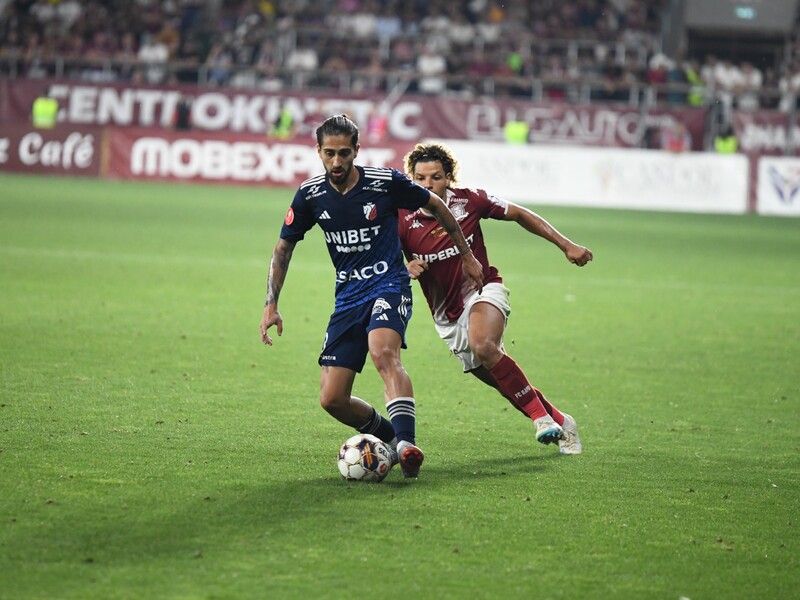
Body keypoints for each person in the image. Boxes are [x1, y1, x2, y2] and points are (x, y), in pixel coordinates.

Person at [260, 116, 484, 478]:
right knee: (332, 399)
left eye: (344, 153)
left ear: (356, 151)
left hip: (389, 284)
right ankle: (392, 439)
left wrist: (467, 255)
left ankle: (408, 445)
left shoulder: (384, 182)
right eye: (329, 153)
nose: (336, 161)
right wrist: (271, 304)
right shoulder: (310, 194)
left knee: (383, 352)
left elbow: (437, 205)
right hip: (348, 297)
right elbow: (283, 247)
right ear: (318, 151)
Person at [398, 141, 593, 454]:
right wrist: (404, 267)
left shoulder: (470, 200)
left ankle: (541, 419)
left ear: (448, 178)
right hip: (446, 316)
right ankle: (561, 421)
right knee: (504, 382)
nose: (428, 184)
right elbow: (384, 258)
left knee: (485, 345)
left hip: (483, 290)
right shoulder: (401, 216)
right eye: (420, 178)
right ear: (411, 179)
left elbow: (519, 213)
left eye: (435, 177)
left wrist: (565, 244)